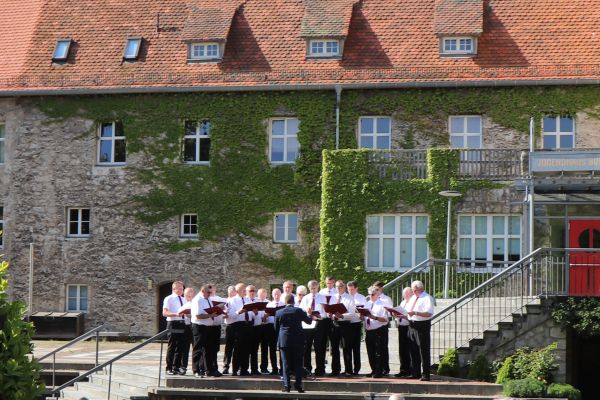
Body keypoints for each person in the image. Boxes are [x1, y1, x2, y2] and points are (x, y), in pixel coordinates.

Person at [275, 293, 313, 393]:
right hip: (297, 340)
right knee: (298, 364)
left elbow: (276, 328)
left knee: (285, 364)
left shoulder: (279, 312)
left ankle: (287, 386)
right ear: (294, 301)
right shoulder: (298, 311)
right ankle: (298, 385)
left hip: (284, 340)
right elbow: (309, 321)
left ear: (285, 302)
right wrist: (309, 314)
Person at [191, 285, 223, 377]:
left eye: (210, 292)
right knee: (198, 349)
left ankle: (209, 370)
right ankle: (196, 370)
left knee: (209, 349)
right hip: (199, 327)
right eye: (208, 292)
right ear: (202, 291)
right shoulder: (197, 300)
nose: (210, 294)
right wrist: (211, 315)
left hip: (209, 327)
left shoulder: (208, 299)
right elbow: (198, 316)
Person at [406, 280, 434, 381]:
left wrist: (416, 312)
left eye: (414, 290)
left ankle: (426, 374)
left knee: (423, 350)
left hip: (422, 325)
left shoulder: (427, 298)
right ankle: (415, 372)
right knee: (413, 350)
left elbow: (429, 313)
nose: (413, 292)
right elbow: (408, 311)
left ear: (420, 288)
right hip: (411, 324)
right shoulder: (413, 298)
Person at [299, 280, 327, 376]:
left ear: (318, 287)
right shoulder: (305, 298)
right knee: (307, 347)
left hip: (319, 323)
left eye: (315, 288)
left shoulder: (322, 297)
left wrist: (320, 315)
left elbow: (325, 313)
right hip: (307, 323)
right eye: (311, 288)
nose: (313, 290)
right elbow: (301, 311)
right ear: (308, 288)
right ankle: (307, 369)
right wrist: (307, 311)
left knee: (319, 346)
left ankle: (320, 369)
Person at [329, 280, 356, 377]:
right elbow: (329, 310)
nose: (338, 288)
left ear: (344, 287)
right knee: (334, 348)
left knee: (346, 347)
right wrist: (330, 314)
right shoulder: (333, 297)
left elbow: (352, 314)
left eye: (340, 286)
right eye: (337, 286)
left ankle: (348, 370)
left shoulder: (349, 298)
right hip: (334, 323)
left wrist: (342, 315)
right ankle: (335, 370)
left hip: (345, 324)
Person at [363, 286, 389, 378]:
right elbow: (364, 316)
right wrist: (361, 315)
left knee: (379, 352)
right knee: (370, 351)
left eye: (372, 294)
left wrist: (374, 317)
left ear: (378, 294)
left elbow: (385, 320)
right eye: (369, 294)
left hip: (379, 330)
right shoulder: (367, 303)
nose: (371, 296)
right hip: (369, 330)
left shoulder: (383, 304)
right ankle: (373, 369)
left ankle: (379, 371)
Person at [226, 282, 252, 376]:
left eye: (245, 290)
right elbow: (230, 315)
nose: (245, 291)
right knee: (237, 348)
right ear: (237, 291)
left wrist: (254, 312)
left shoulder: (248, 299)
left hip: (247, 325)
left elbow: (250, 313)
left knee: (246, 348)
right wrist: (239, 312)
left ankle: (244, 369)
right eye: (243, 290)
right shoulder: (232, 301)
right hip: (237, 326)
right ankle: (235, 369)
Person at [162, 281, 186, 375]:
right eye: (179, 288)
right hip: (173, 323)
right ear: (174, 289)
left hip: (182, 323)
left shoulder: (184, 299)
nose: (181, 290)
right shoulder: (169, 298)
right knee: (172, 346)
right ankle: (169, 368)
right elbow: (165, 313)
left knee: (180, 346)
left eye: (182, 289)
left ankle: (176, 367)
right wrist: (176, 314)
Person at [347, 280, 366, 375]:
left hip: (356, 324)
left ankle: (356, 369)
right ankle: (348, 369)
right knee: (347, 347)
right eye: (348, 289)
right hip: (346, 324)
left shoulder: (361, 298)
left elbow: (365, 310)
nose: (350, 291)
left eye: (352, 289)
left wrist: (361, 314)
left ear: (356, 288)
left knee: (356, 347)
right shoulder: (346, 297)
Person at [373, 280, 392, 376]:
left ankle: (385, 368)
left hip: (382, 325)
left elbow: (390, 313)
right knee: (376, 349)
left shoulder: (386, 299)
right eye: (374, 289)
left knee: (383, 348)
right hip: (373, 326)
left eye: (377, 289)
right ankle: (377, 368)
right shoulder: (373, 298)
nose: (375, 291)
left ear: (381, 289)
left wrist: (384, 311)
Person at [394, 287, 413, 378]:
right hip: (401, 326)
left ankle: (410, 370)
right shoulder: (402, 302)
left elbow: (411, 316)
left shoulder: (412, 302)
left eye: (407, 293)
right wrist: (395, 315)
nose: (405, 295)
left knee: (409, 349)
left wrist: (403, 316)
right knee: (402, 349)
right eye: (404, 293)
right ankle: (403, 369)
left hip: (409, 326)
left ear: (411, 293)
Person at [264, 288, 283, 375]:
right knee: (272, 348)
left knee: (282, 348)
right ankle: (274, 368)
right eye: (275, 294)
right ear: (272, 295)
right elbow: (264, 320)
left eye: (278, 294)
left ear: (281, 294)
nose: (276, 296)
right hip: (271, 327)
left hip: (280, 327)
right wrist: (265, 316)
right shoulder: (269, 304)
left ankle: (282, 368)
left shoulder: (283, 304)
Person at [178, 287, 195, 375]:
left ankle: (196, 368)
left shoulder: (195, 303)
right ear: (184, 295)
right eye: (187, 296)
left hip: (194, 326)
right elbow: (178, 312)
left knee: (196, 348)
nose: (189, 298)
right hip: (185, 326)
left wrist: (191, 315)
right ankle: (183, 367)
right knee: (184, 348)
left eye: (190, 296)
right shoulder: (182, 303)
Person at [222, 285, 237, 374]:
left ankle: (236, 367)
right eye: (230, 292)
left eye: (233, 292)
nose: (231, 293)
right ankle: (226, 366)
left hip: (238, 325)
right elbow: (222, 314)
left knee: (237, 347)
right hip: (229, 325)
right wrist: (225, 314)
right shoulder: (225, 301)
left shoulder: (237, 301)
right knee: (229, 347)